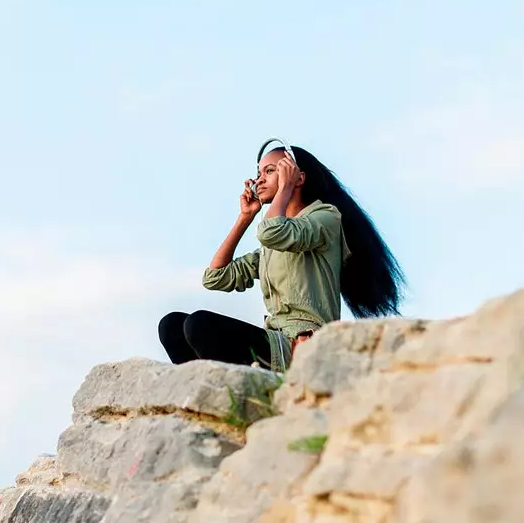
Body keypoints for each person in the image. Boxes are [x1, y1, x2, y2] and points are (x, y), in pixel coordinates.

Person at [159, 139, 405, 371]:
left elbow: (272, 232)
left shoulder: (325, 217)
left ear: (298, 177)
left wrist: (285, 188)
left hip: (303, 347)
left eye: (269, 171)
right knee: (171, 325)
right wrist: (245, 217)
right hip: (275, 339)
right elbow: (215, 278)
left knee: (200, 324)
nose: (258, 181)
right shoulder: (272, 243)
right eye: (258, 173)